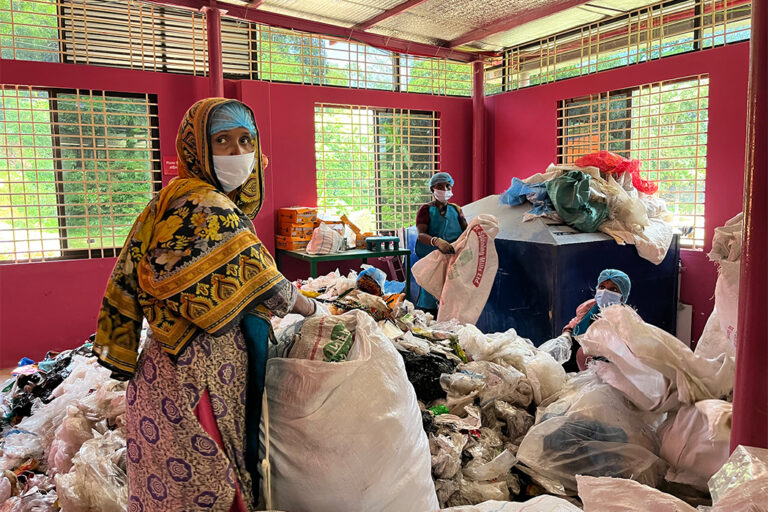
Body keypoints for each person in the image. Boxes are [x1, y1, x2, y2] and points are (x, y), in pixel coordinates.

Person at [92, 98, 321, 511]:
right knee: (211, 481)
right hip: (198, 374)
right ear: (197, 149)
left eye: (245, 140)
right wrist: (316, 311)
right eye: (222, 141)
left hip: (166, 367)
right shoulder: (205, 204)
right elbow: (269, 283)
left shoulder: (176, 196)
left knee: (173, 485)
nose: (238, 154)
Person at [413, 172, 468, 312]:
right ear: (433, 189)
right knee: (430, 297)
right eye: (440, 186)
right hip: (433, 261)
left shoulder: (456, 210)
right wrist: (437, 242)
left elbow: (466, 232)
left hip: (453, 259)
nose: (444, 190)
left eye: (447, 186)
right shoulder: (426, 210)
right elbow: (421, 235)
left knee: (451, 300)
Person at [560, 269, 631, 372]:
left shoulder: (626, 318)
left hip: (603, 366)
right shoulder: (589, 307)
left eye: (613, 290)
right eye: (602, 287)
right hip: (574, 358)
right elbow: (576, 321)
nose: (605, 292)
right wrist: (566, 334)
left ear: (622, 297)